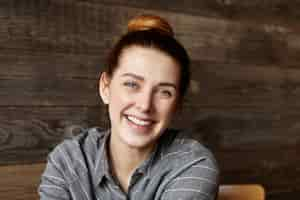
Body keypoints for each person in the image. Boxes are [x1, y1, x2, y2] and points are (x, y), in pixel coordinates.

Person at [39, 14, 219, 200]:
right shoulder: (67, 161)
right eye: (132, 84)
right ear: (105, 87)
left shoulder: (193, 164)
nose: (144, 105)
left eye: (164, 92)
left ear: (177, 104)